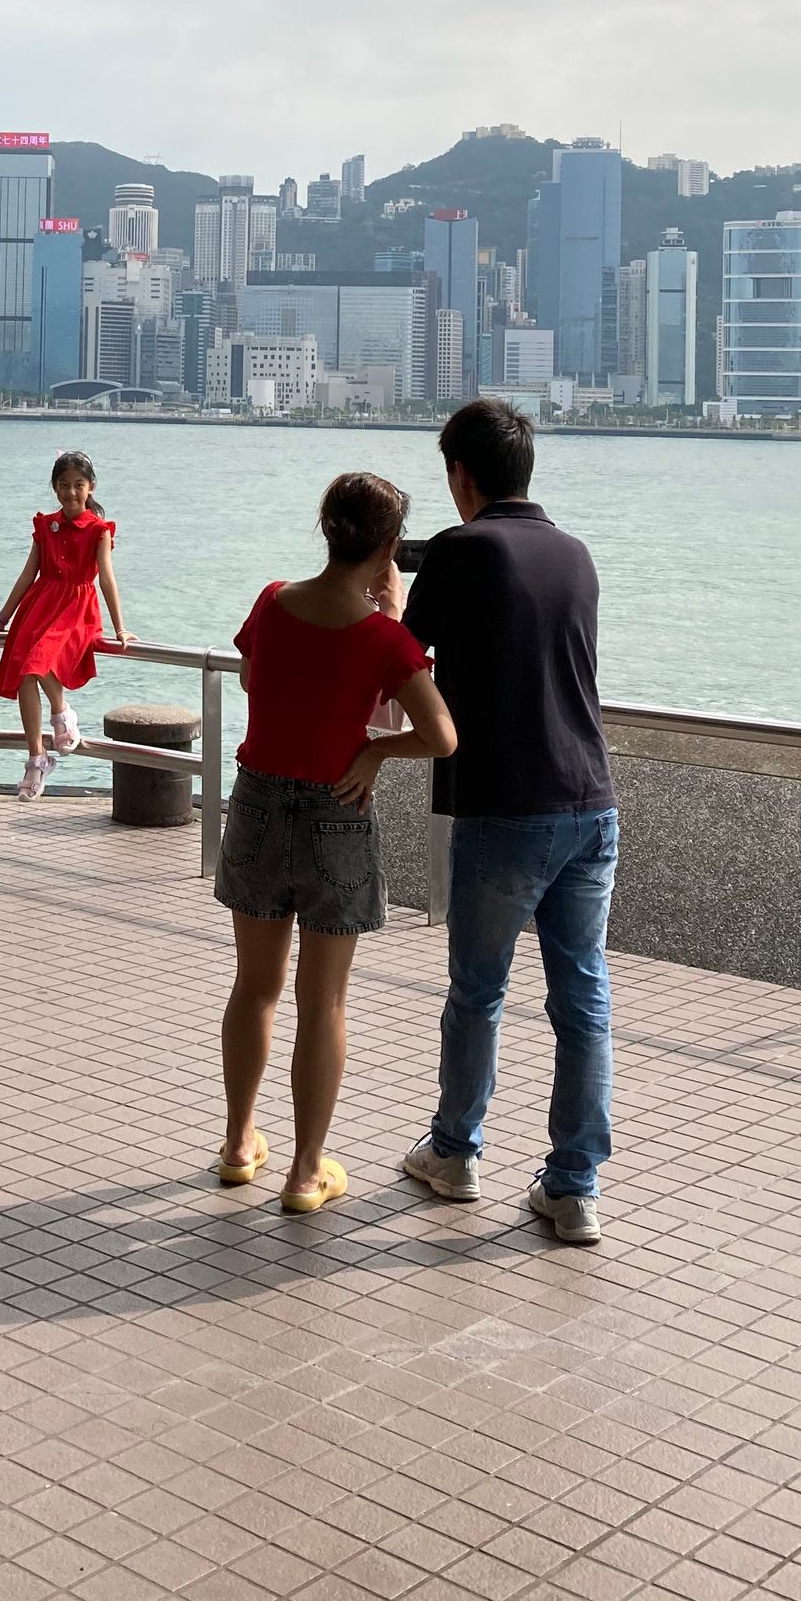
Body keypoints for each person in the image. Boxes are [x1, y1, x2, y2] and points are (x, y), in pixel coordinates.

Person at [399, 399, 618, 1245]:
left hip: (504, 807)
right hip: (592, 802)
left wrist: (391, 585)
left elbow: (398, 650)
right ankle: (573, 1186)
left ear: (462, 475)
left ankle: (454, 1152)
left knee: (479, 992)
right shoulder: (576, 553)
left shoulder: (460, 551)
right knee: (582, 998)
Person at [213, 473, 457, 1213]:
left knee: (255, 987)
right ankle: (305, 1168)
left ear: (327, 530)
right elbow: (443, 735)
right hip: (337, 814)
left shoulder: (273, 598)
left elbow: (256, 675)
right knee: (324, 1001)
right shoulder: (386, 637)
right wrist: (377, 749)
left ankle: (236, 1143)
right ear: (389, 548)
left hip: (256, 801)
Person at [0, 450, 131, 801]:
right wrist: (2, 618)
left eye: (78, 485)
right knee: (24, 675)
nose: (71, 492)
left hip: (76, 608)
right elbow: (27, 574)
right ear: (54, 487)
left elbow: (106, 580)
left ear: (90, 487)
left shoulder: (98, 530)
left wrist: (120, 628)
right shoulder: (44, 526)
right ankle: (37, 756)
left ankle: (61, 714)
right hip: (40, 604)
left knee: (34, 664)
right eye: (63, 485)